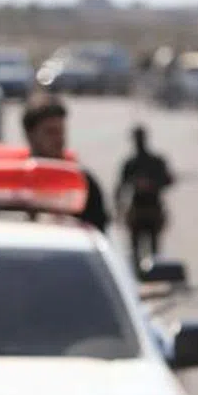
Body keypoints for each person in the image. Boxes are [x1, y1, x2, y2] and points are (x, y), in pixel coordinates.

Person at [22, 93, 109, 232]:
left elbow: (98, 234)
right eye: (50, 132)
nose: (59, 139)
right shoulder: (14, 184)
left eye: (61, 131)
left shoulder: (82, 183)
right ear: (30, 135)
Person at [115, 124, 174, 270]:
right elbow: (121, 187)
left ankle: (153, 275)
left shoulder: (155, 161)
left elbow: (168, 180)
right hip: (138, 210)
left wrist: (152, 184)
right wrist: (119, 209)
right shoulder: (131, 163)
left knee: (154, 251)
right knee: (136, 251)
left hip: (153, 209)